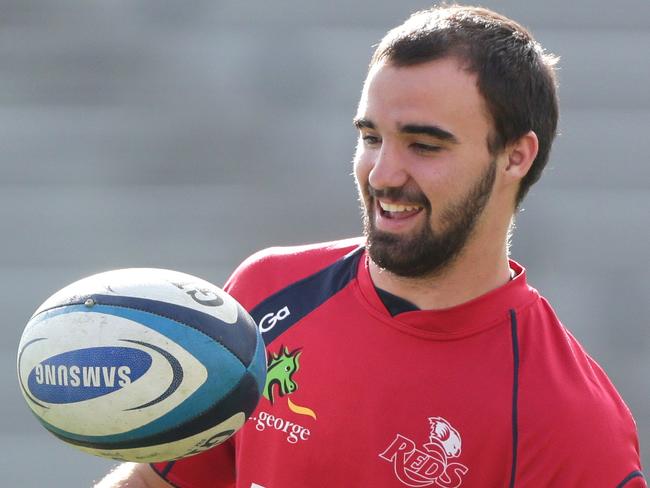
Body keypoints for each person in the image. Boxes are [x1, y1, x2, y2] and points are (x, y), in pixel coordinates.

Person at [96, 5, 645, 487]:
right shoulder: (265, 293)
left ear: (515, 156)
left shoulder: (568, 419)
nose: (382, 173)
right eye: (371, 137)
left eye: (424, 145)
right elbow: (157, 482)